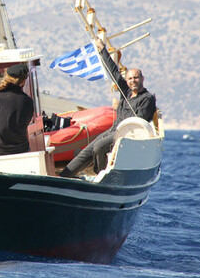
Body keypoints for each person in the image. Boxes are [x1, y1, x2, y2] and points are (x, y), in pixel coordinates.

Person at [59, 39, 157, 178]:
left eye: (136, 78)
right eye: (130, 79)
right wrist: (102, 50)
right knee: (85, 152)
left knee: (99, 147)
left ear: (142, 78)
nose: (132, 81)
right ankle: (64, 176)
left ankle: (101, 175)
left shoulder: (147, 98)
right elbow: (114, 73)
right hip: (112, 130)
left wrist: (118, 108)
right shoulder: (126, 92)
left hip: (126, 135)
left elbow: (138, 121)